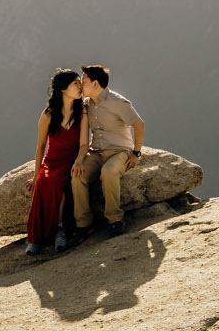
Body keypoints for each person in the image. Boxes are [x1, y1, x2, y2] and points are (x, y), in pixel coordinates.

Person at [71, 64, 145, 237]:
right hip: (96, 152)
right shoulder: (87, 104)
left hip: (119, 151)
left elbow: (139, 125)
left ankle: (116, 221)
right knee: (77, 175)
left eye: (84, 81)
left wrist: (136, 153)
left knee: (109, 172)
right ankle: (83, 224)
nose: (81, 85)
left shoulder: (118, 102)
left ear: (95, 83)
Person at [24, 68, 85, 256]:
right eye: (75, 83)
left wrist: (79, 161)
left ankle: (59, 230)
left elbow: (83, 144)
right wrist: (36, 175)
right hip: (52, 160)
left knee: (59, 183)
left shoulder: (82, 111)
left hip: (72, 159)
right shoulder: (48, 114)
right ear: (63, 88)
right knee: (43, 183)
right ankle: (35, 238)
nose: (80, 86)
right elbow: (41, 146)